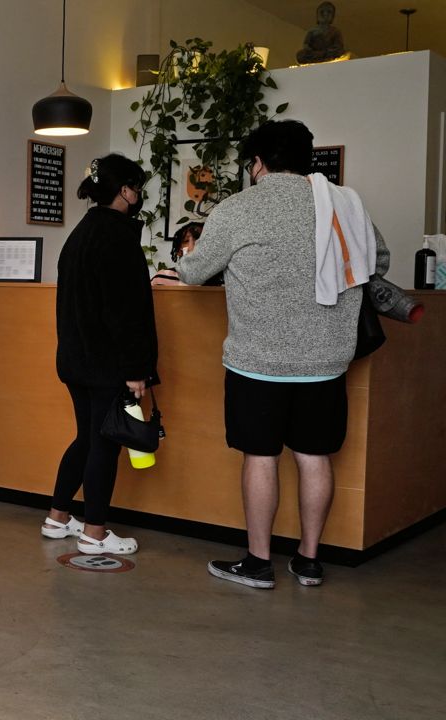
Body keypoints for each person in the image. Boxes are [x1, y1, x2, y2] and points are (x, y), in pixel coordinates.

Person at [178, 120, 388, 589]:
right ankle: (309, 561)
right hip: (326, 361)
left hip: (257, 361)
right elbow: (379, 260)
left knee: (261, 455)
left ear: (257, 163)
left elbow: (194, 272)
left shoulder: (238, 209)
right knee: (315, 456)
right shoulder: (345, 203)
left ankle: (258, 562)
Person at [44, 153, 158, 555]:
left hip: (75, 360)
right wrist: (137, 370)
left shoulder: (81, 232)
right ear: (126, 191)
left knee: (86, 438)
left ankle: (58, 518)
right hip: (108, 364)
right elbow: (126, 312)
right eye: (137, 187)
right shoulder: (119, 237)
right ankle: (94, 533)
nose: (139, 194)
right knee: (104, 445)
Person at [151, 222, 222, 287]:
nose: (193, 245)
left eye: (199, 239)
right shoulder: (162, 278)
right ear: (179, 251)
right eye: (186, 241)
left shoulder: (223, 280)